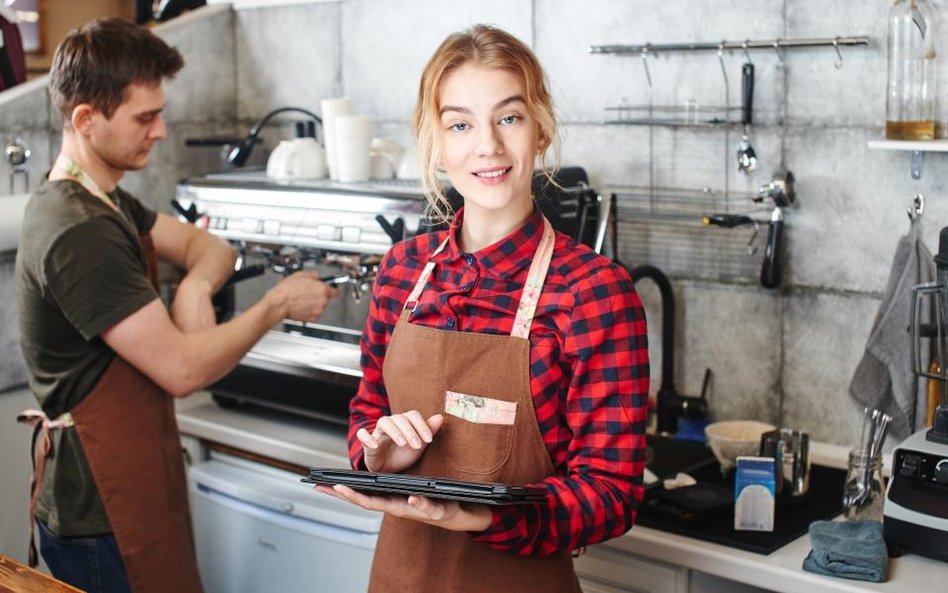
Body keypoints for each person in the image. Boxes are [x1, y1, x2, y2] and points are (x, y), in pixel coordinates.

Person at [315, 24, 649, 593]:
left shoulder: (593, 291)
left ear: (540, 130)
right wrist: (380, 455)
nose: (488, 145)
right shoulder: (402, 271)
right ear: (437, 144)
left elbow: (612, 493)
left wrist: (488, 515)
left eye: (509, 118)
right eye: (461, 124)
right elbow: (368, 407)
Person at [15, 17, 337, 593]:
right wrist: (276, 305)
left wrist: (193, 287)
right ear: (86, 120)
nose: (160, 131)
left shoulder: (103, 198)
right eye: (145, 117)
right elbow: (183, 369)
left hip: (131, 479)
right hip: (97, 509)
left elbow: (202, 244)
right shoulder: (77, 230)